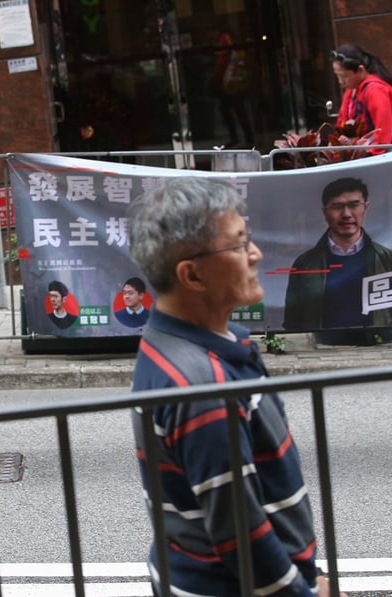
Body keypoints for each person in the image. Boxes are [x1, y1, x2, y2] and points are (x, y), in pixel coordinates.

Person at [126, 176, 341, 597]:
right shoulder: (204, 387)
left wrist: (310, 577)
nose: (255, 254)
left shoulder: (178, 344)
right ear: (192, 275)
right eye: (239, 244)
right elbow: (240, 535)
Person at [283, 176, 392, 331]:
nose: (346, 214)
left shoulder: (387, 259)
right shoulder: (305, 263)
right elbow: (292, 320)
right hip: (321, 349)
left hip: (376, 349)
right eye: (337, 206)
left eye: (354, 205)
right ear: (325, 212)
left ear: (365, 208)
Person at [331, 44, 392, 146]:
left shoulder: (375, 90)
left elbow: (382, 133)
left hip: (380, 155)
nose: (340, 81)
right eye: (337, 76)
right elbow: (341, 123)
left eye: (343, 76)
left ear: (360, 70)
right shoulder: (350, 91)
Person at [209, 28, 255, 149]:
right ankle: (244, 138)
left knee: (234, 110)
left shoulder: (224, 40)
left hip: (233, 83)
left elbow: (222, 63)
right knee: (235, 110)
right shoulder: (231, 39)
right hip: (237, 81)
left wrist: (215, 80)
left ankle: (240, 138)